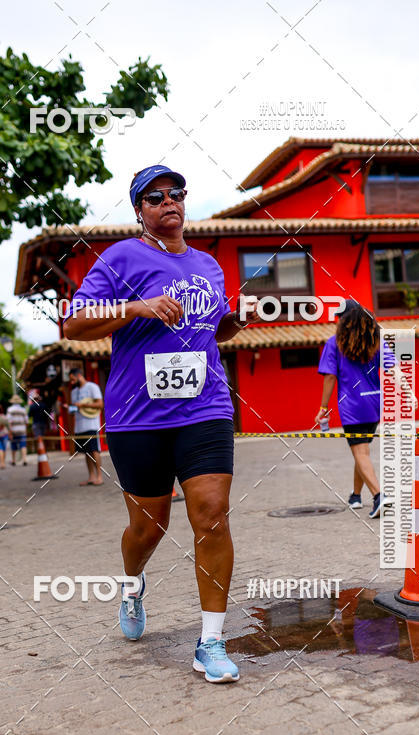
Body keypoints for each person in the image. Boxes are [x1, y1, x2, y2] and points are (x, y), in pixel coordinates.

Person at [63, 164, 259, 684]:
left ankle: (211, 640)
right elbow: (76, 322)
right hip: (137, 416)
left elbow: (208, 334)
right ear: (140, 210)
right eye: (155, 197)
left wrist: (231, 325)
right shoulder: (122, 257)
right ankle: (132, 584)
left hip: (205, 406)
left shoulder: (209, 266)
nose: (168, 202)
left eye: (176, 193)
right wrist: (136, 307)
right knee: (147, 528)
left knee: (212, 515)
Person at [315, 299, 392, 518]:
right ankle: (356, 496)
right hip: (374, 403)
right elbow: (390, 367)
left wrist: (323, 406)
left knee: (359, 451)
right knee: (362, 451)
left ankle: (379, 496)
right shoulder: (375, 340)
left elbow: (330, 376)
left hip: (352, 405)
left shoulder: (334, 343)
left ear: (345, 319)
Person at [67, 368, 104, 486]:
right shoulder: (73, 392)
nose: (72, 382)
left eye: (73, 379)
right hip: (79, 425)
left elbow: (100, 404)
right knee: (86, 452)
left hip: (91, 424)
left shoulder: (92, 387)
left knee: (94, 450)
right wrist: (70, 409)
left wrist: (83, 404)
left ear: (79, 376)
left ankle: (99, 476)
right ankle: (91, 477)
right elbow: (74, 409)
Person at [6, 394, 29, 466]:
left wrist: (10, 432)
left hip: (14, 431)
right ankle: (24, 460)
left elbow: (9, 421)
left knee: (13, 445)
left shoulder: (10, 410)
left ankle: (13, 461)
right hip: (22, 430)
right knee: (23, 445)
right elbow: (26, 421)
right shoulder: (23, 409)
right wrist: (25, 429)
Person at [0, 404, 9, 470]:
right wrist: (10, 434)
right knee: (4, 449)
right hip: (5, 434)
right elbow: (8, 426)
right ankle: (3, 462)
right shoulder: (4, 416)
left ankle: (1, 463)